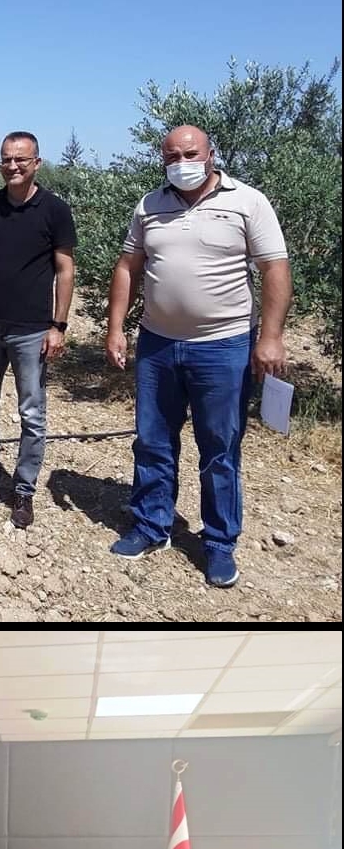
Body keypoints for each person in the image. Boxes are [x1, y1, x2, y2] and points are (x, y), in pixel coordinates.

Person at [103, 125, 291, 588]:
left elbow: (275, 269)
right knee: (152, 440)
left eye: (190, 152)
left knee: (219, 448)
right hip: (157, 344)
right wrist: (115, 329)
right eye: (172, 155)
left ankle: (220, 542)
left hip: (224, 346)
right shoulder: (150, 204)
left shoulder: (247, 201)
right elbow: (128, 265)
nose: (181, 161)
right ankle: (151, 525)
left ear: (211, 153)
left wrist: (270, 337)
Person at [0, 131, 77, 529]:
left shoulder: (54, 210)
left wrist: (57, 325)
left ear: (36, 162)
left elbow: (65, 269)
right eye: (6, 159)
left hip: (31, 330)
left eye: (21, 160)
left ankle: (23, 491)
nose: (13, 166)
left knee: (32, 414)